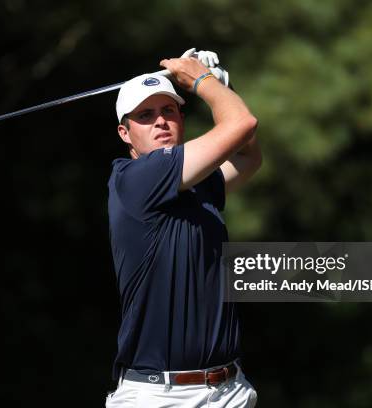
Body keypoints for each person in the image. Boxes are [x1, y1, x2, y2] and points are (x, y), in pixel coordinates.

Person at [106, 48, 261, 408]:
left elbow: (248, 155)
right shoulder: (136, 179)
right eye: (145, 116)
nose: (160, 121)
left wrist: (223, 84)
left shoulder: (195, 183)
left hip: (228, 390)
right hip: (158, 396)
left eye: (169, 110)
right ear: (125, 133)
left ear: (181, 117)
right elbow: (242, 125)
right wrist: (203, 82)